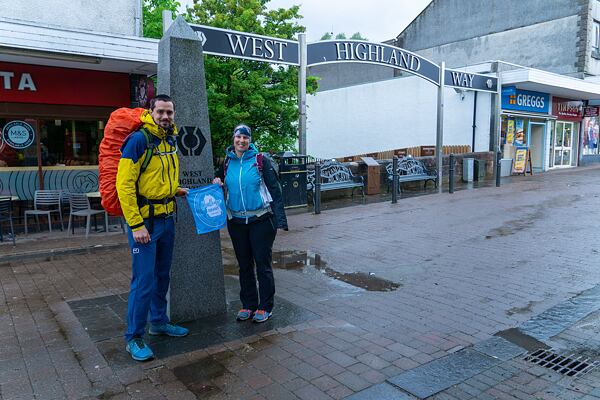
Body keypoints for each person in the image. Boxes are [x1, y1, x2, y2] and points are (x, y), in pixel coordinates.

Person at [116, 94, 189, 361]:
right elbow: (124, 185)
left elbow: (158, 177)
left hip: (167, 218)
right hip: (144, 223)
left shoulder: (169, 140)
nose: (165, 116)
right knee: (143, 281)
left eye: (169, 112)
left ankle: (158, 321)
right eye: (160, 112)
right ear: (151, 112)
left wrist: (175, 190)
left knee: (161, 276)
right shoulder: (139, 140)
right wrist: (136, 225)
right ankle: (133, 337)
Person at [213, 124, 288, 323]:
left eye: (245, 137)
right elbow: (219, 180)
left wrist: (279, 220)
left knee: (262, 264)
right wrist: (217, 181)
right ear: (233, 139)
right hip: (236, 221)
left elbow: (275, 190)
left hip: (260, 220)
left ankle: (265, 307)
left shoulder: (260, 160)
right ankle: (248, 304)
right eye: (238, 137)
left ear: (250, 140)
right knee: (244, 265)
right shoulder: (227, 162)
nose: (242, 141)